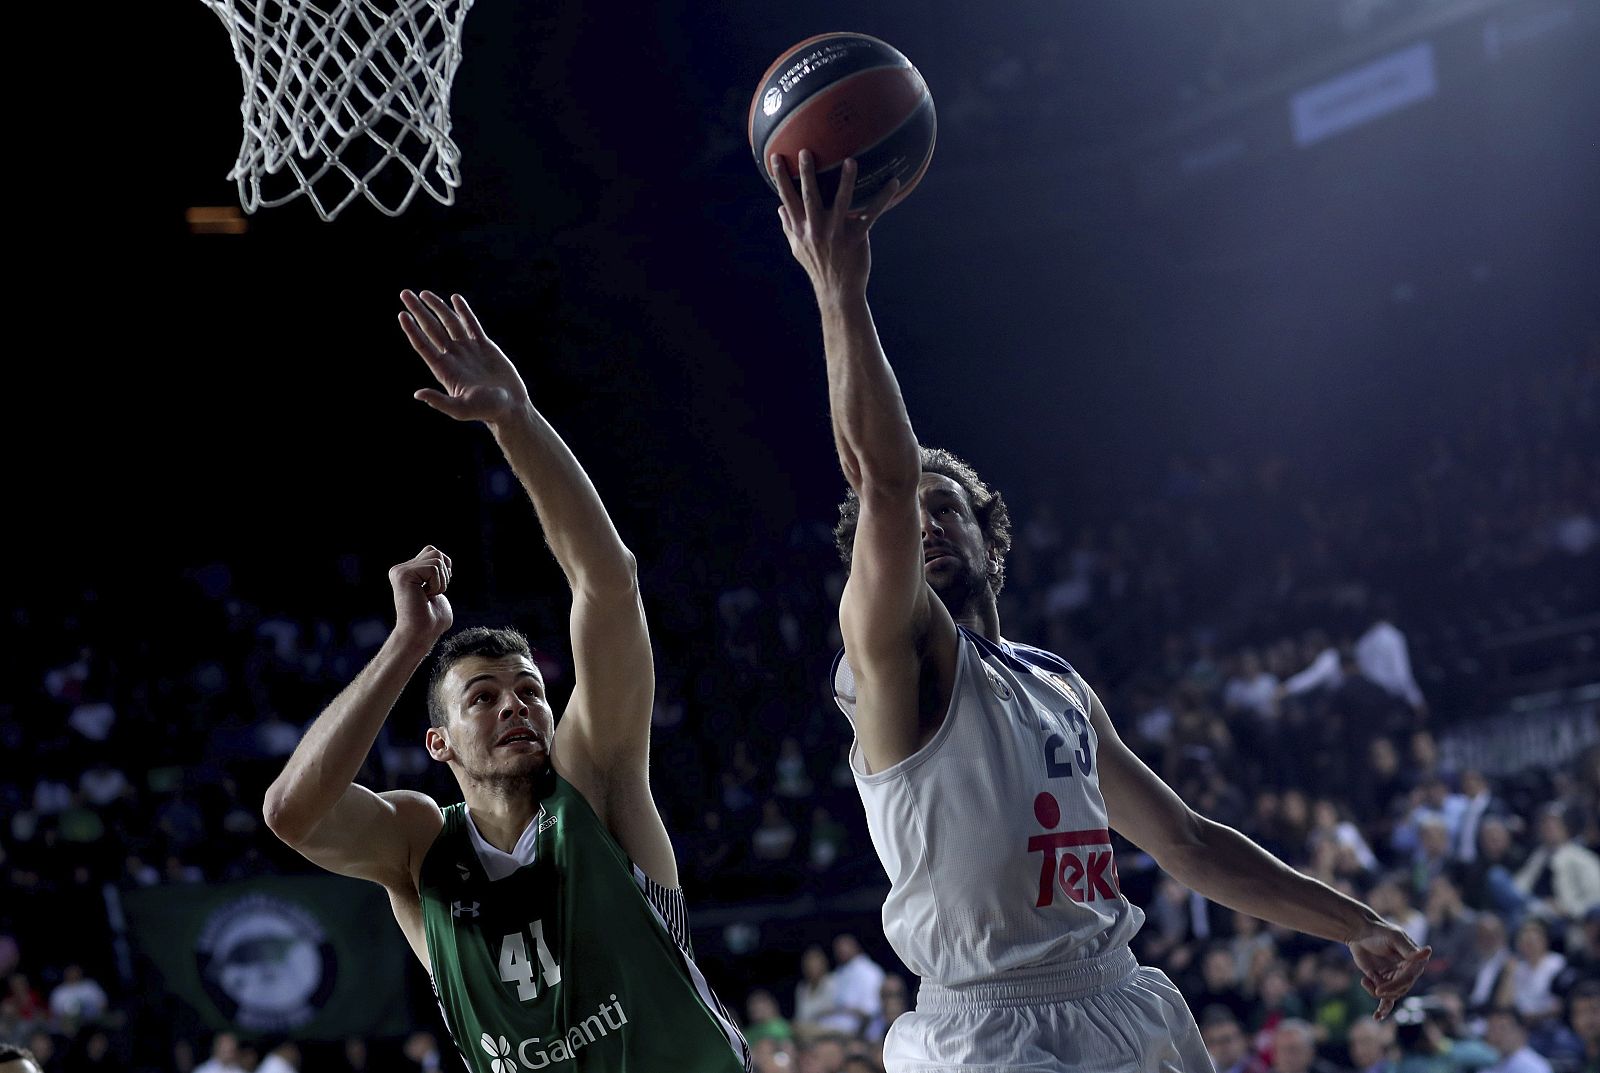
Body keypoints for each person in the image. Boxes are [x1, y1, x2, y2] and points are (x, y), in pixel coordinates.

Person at [770, 148, 1431, 1072]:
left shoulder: (1057, 683)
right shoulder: (896, 659)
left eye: (946, 506)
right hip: (986, 1025)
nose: (923, 521)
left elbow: (1188, 842)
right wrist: (839, 289)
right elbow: (880, 480)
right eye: (907, 517)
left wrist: (1353, 922)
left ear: (989, 533)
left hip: (1120, 995)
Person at [262, 291, 749, 1071]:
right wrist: (408, 641)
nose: (514, 704)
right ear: (440, 743)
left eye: (528, 690)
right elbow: (291, 812)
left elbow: (608, 582)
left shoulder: (594, 783)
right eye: (481, 697)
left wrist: (515, 419)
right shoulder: (418, 845)